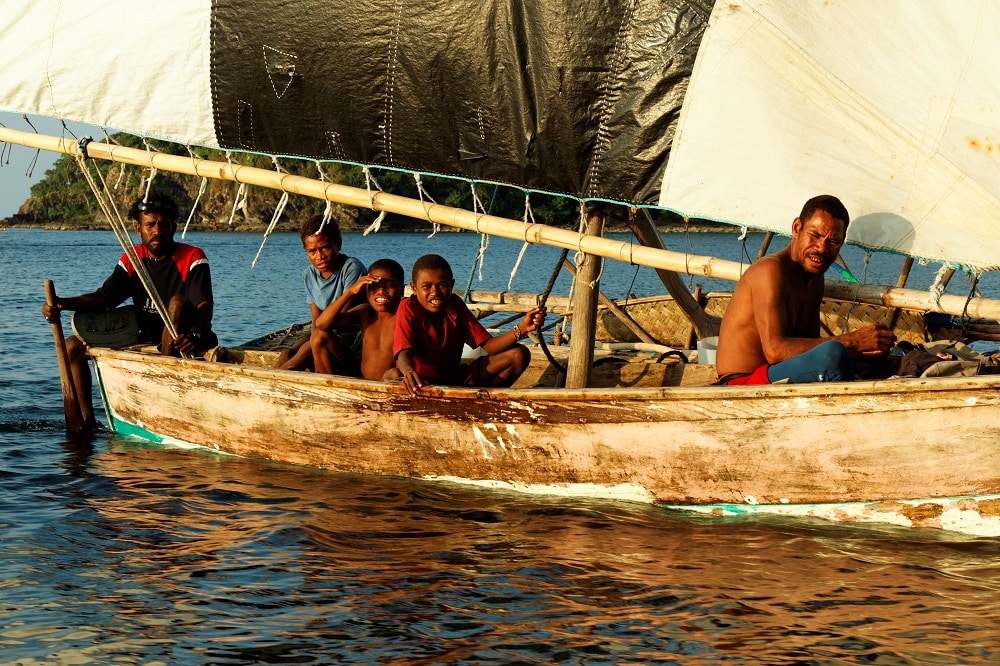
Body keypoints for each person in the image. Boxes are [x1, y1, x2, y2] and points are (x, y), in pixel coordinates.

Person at [41, 191, 217, 430]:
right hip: (142, 335)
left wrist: (195, 334)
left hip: (183, 339)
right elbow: (102, 299)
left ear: (174, 227)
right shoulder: (133, 258)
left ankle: (159, 392)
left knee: (176, 303)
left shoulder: (193, 257)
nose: (157, 231)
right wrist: (61, 303)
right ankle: (85, 425)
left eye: (163, 224)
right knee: (71, 346)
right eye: (150, 225)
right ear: (138, 229)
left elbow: (203, 307)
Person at [714, 194, 895, 385]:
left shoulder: (814, 278)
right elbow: (775, 351)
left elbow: (810, 345)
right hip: (744, 381)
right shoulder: (769, 270)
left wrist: (865, 348)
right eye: (814, 235)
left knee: (873, 354)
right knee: (833, 354)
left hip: (782, 371)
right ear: (796, 228)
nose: (821, 248)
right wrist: (853, 340)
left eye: (833, 242)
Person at [394, 254, 546, 395]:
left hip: (455, 381)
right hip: (421, 383)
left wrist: (522, 328)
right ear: (414, 288)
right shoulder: (408, 307)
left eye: (442, 285)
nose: (435, 292)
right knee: (393, 375)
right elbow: (403, 353)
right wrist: (409, 372)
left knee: (519, 354)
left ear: (452, 285)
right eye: (427, 286)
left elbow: (489, 346)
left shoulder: (455, 305)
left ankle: (487, 401)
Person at [277, 215, 366, 371]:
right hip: (323, 331)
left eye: (325, 248)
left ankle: (278, 375)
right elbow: (315, 319)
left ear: (338, 244)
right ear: (306, 251)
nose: (320, 256)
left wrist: (313, 342)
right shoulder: (309, 275)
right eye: (312, 251)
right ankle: (279, 372)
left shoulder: (352, 268)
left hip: (350, 335)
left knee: (313, 342)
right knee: (288, 351)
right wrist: (312, 339)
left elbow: (339, 322)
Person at [311, 258, 405, 380]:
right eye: (374, 285)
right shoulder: (366, 312)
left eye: (389, 285)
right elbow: (321, 324)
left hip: (387, 382)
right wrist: (350, 291)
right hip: (358, 377)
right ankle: (329, 387)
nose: (381, 291)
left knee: (395, 373)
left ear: (402, 289)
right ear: (366, 288)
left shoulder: (404, 316)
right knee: (319, 336)